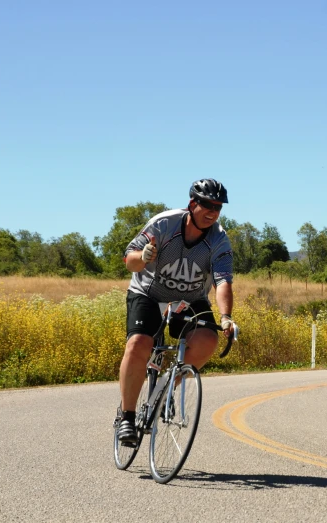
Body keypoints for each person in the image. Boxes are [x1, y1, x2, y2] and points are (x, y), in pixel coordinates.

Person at [116, 178, 235, 444]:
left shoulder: (219, 240)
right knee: (138, 344)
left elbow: (223, 281)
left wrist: (226, 316)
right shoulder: (164, 224)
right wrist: (144, 256)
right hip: (148, 293)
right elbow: (129, 261)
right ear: (192, 203)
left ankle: (169, 388)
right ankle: (127, 416)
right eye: (207, 205)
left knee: (207, 339)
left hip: (189, 299)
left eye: (218, 207)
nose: (212, 212)